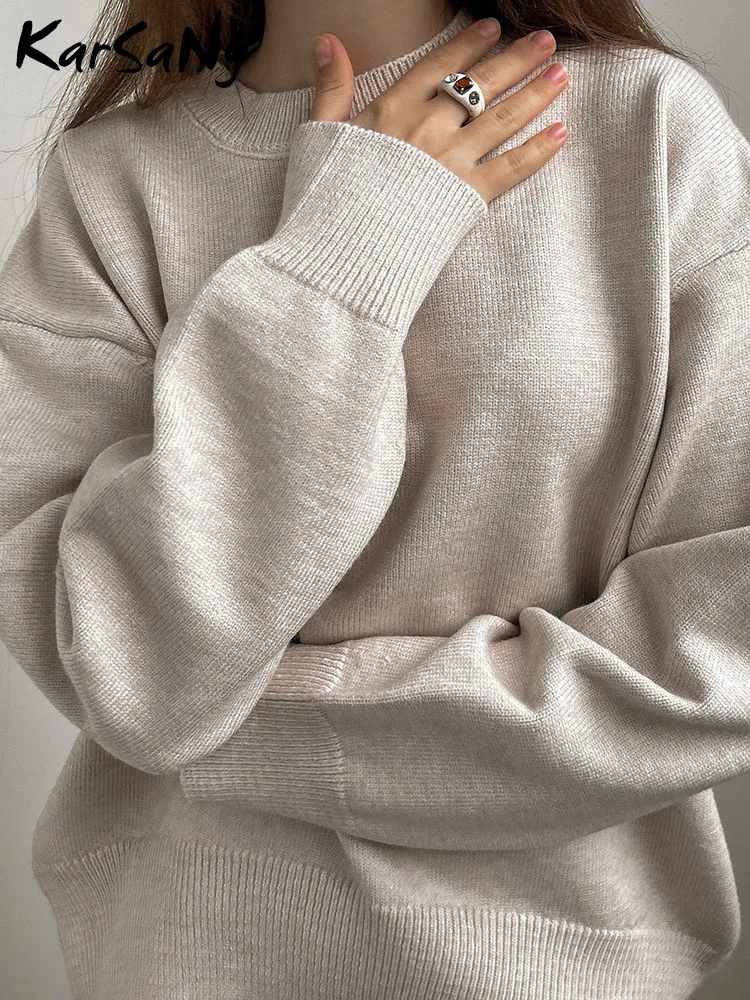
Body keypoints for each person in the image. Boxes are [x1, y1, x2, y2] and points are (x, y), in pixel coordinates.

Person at [2, 1, 749, 997]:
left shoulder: (652, 130)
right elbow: (139, 665)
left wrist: (264, 729)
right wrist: (360, 235)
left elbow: (724, 647)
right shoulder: (109, 185)